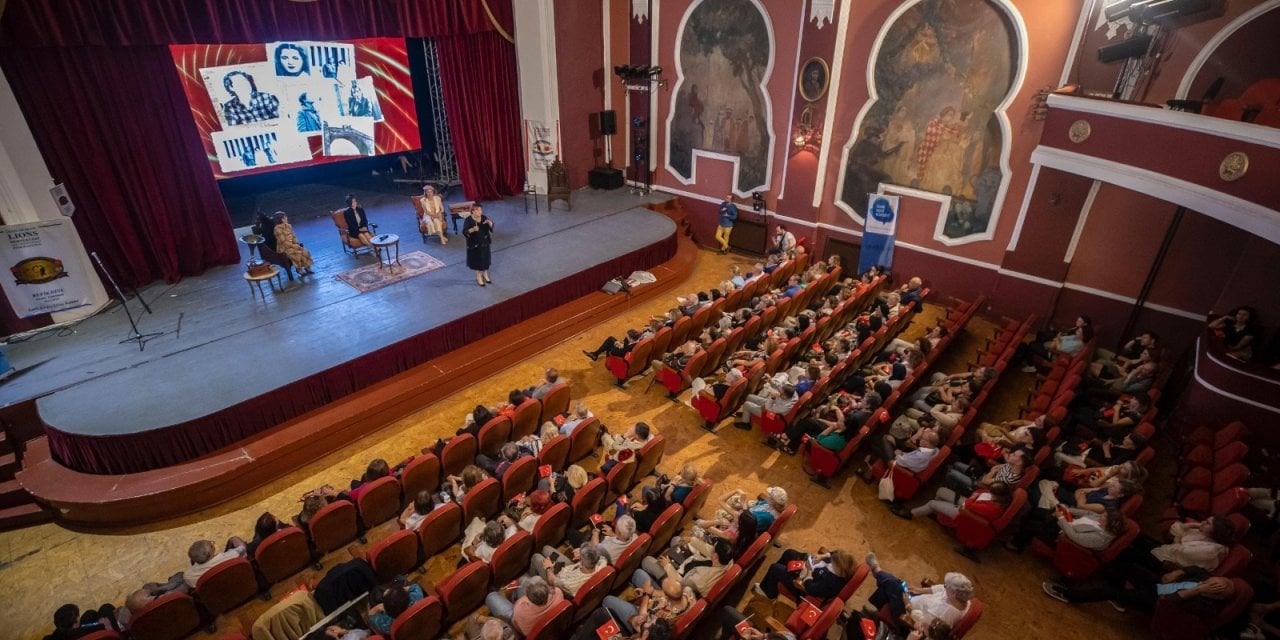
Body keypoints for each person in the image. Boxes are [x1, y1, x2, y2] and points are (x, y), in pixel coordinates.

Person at [752, 547, 856, 601]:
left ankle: (769, 593)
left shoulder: (832, 582)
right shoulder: (846, 564)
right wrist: (823, 556)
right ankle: (774, 584)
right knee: (789, 553)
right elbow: (834, 553)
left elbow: (811, 589)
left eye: (832, 561)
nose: (830, 560)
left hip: (803, 587)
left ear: (838, 567)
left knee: (775, 568)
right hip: (811, 570)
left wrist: (809, 571)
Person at [485, 575, 564, 637]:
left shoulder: (520, 608)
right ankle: (512, 596)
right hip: (548, 627)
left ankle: (491, 591)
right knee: (523, 579)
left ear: (528, 597)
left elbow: (514, 622)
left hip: (522, 629)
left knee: (491, 597)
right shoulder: (558, 592)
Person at [183, 537, 248, 588]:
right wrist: (235, 539)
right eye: (211, 545)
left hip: (214, 594)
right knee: (234, 539)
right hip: (233, 582)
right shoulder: (231, 555)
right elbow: (242, 548)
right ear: (210, 553)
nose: (212, 544)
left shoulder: (188, 576)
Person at [463, 204, 495, 286]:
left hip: (485, 242)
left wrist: (490, 223)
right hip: (475, 244)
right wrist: (473, 229)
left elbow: (490, 227)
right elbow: (464, 232)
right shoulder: (468, 220)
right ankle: (478, 276)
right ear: (473, 211)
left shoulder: (483, 217)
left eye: (480, 210)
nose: (480, 212)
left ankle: (485, 274)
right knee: (478, 260)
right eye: (478, 210)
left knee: (486, 259)